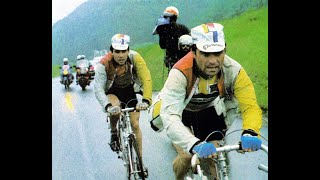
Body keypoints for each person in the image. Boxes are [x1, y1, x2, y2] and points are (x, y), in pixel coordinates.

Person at [158, 22, 263, 180]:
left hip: (208, 112)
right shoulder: (180, 72)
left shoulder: (234, 70)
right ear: (194, 51)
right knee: (187, 156)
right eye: (206, 54)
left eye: (218, 52)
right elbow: (170, 116)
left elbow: (250, 106)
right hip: (181, 113)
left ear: (225, 49)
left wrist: (250, 130)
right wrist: (192, 144)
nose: (213, 61)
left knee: (212, 159)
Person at [94, 33, 152, 172]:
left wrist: (146, 100)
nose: (120, 55)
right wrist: (107, 106)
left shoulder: (135, 58)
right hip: (112, 91)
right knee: (115, 109)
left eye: (123, 51)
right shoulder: (103, 64)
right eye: (117, 51)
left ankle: (140, 161)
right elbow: (98, 89)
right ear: (112, 51)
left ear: (128, 50)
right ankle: (114, 132)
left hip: (129, 90)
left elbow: (146, 78)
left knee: (135, 124)